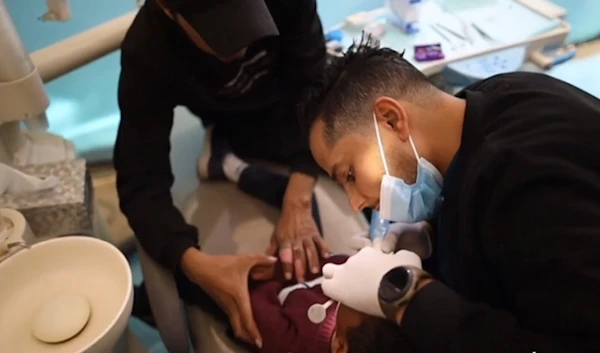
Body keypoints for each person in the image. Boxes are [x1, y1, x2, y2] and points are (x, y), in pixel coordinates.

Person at [300, 35, 600, 352]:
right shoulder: (491, 96)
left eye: (350, 174)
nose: (355, 202)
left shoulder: (530, 186)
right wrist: (434, 236)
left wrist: (406, 294)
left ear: (391, 119)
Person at [114, 0, 331, 346]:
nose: (241, 46)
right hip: (235, 124)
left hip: (298, 104)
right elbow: (140, 182)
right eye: (220, 31)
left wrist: (299, 197)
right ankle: (224, 150)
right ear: (168, 10)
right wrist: (196, 266)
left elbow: (314, 86)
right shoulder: (148, 51)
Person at [179, 252, 421, 353]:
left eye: (356, 300)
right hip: (295, 278)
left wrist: (268, 268)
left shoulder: (295, 340)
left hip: (255, 291)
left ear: (339, 346)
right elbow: (334, 261)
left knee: (197, 285)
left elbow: (254, 308)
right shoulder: (354, 296)